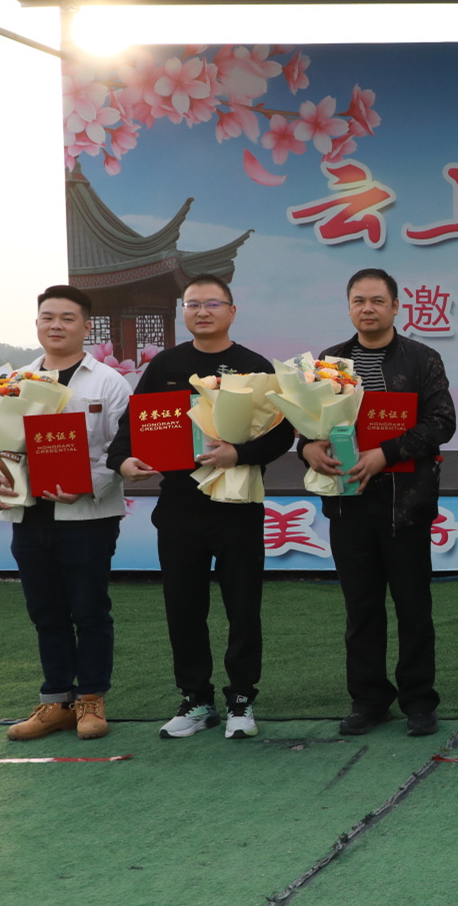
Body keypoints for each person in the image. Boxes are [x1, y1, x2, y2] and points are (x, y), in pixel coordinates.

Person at [109, 275, 295, 741]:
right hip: (180, 506)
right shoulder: (166, 365)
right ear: (183, 313)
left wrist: (240, 454)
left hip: (238, 506)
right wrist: (124, 460)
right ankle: (195, 698)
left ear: (232, 311)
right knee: (183, 608)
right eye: (192, 304)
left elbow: (281, 434)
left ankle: (241, 699)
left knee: (243, 607)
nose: (202, 312)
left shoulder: (255, 368)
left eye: (212, 303)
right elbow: (134, 423)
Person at [299, 268, 457, 737]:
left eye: (377, 301)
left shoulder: (422, 359)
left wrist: (385, 453)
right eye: (359, 301)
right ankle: (368, 701)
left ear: (395, 307)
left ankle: (419, 701)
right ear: (349, 307)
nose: (367, 309)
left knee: (413, 608)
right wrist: (307, 448)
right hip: (348, 504)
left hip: (405, 505)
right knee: (361, 609)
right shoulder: (329, 362)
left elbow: (441, 422)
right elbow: (306, 423)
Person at [0, 286, 132, 742]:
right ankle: (56, 701)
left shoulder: (109, 383)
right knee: (45, 611)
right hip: (28, 513)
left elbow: (121, 449)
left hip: (88, 516)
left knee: (90, 609)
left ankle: (92, 700)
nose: (56, 325)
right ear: (37, 323)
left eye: (67, 317)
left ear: (86, 326)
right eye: (47, 317)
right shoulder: (12, 382)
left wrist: (87, 484)